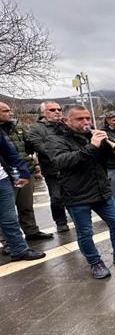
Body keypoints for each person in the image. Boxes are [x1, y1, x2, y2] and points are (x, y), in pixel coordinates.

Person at [46, 105, 115, 278]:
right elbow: (62, 162)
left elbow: (112, 156)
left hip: (101, 190)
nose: (86, 122)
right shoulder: (55, 139)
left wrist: (108, 145)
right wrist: (92, 146)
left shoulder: (91, 135)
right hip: (77, 194)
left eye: (88, 118)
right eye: (80, 119)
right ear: (66, 120)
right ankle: (95, 262)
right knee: (85, 232)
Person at [0, 102, 54, 243]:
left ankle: (31, 231)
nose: (10, 113)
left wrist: (34, 165)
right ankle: (7, 241)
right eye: (5, 111)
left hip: (24, 170)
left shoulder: (17, 127)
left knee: (26, 205)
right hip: (5, 175)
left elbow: (28, 146)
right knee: (6, 210)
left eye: (10, 110)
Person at [0, 129, 46, 261]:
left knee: (9, 218)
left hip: (2, 180)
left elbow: (9, 151)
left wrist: (23, 171)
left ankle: (19, 249)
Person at [26, 101, 70, 232]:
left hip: (70, 167)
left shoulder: (65, 125)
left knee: (74, 194)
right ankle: (61, 222)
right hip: (52, 170)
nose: (57, 112)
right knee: (56, 197)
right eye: (52, 110)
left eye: (59, 109)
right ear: (43, 113)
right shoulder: (36, 129)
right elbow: (43, 148)